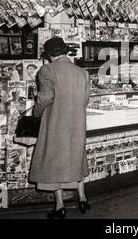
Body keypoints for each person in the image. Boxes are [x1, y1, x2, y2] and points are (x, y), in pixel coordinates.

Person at [28, 37, 91, 219]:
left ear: (49, 55)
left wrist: (36, 113)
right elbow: (85, 100)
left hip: (56, 123)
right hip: (77, 124)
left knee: (52, 162)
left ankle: (60, 206)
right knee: (77, 159)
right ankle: (82, 198)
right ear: (65, 51)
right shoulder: (82, 72)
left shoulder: (47, 70)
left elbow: (45, 98)